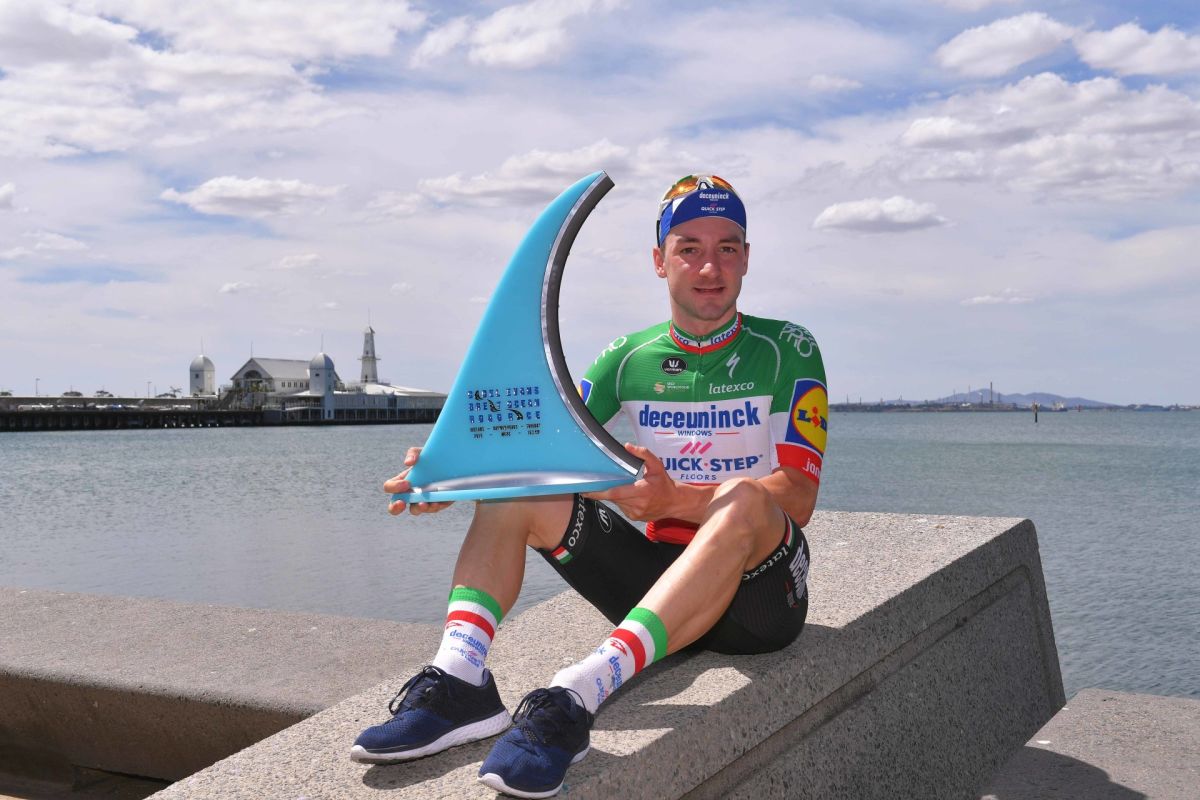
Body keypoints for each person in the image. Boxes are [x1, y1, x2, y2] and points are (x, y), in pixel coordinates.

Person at [350, 175, 828, 798]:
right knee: (523, 488)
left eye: (727, 248)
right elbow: (539, 449)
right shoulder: (628, 357)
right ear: (659, 261)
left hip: (759, 599)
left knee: (744, 495)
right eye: (689, 248)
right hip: (658, 586)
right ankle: (460, 676)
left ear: (746, 258)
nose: (710, 267)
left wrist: (674, 501)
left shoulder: (788, 347)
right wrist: (454, 472)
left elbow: (797, 497)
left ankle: (579, 691)